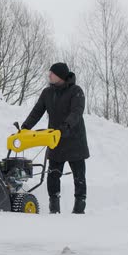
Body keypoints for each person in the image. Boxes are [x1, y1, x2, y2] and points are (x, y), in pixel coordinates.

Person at [21, 62, 90, 214]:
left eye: (52, 73)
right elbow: (36, 112)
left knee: (79, 177)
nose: (49, 75)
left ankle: (79, 208)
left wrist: (65, 127)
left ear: (60, 75)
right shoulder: (47, 93)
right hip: (55, 140)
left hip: (74, 140)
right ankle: (54, 208)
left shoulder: (76, 91)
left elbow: (76, 112)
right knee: (52, 176)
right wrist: (25, 127)